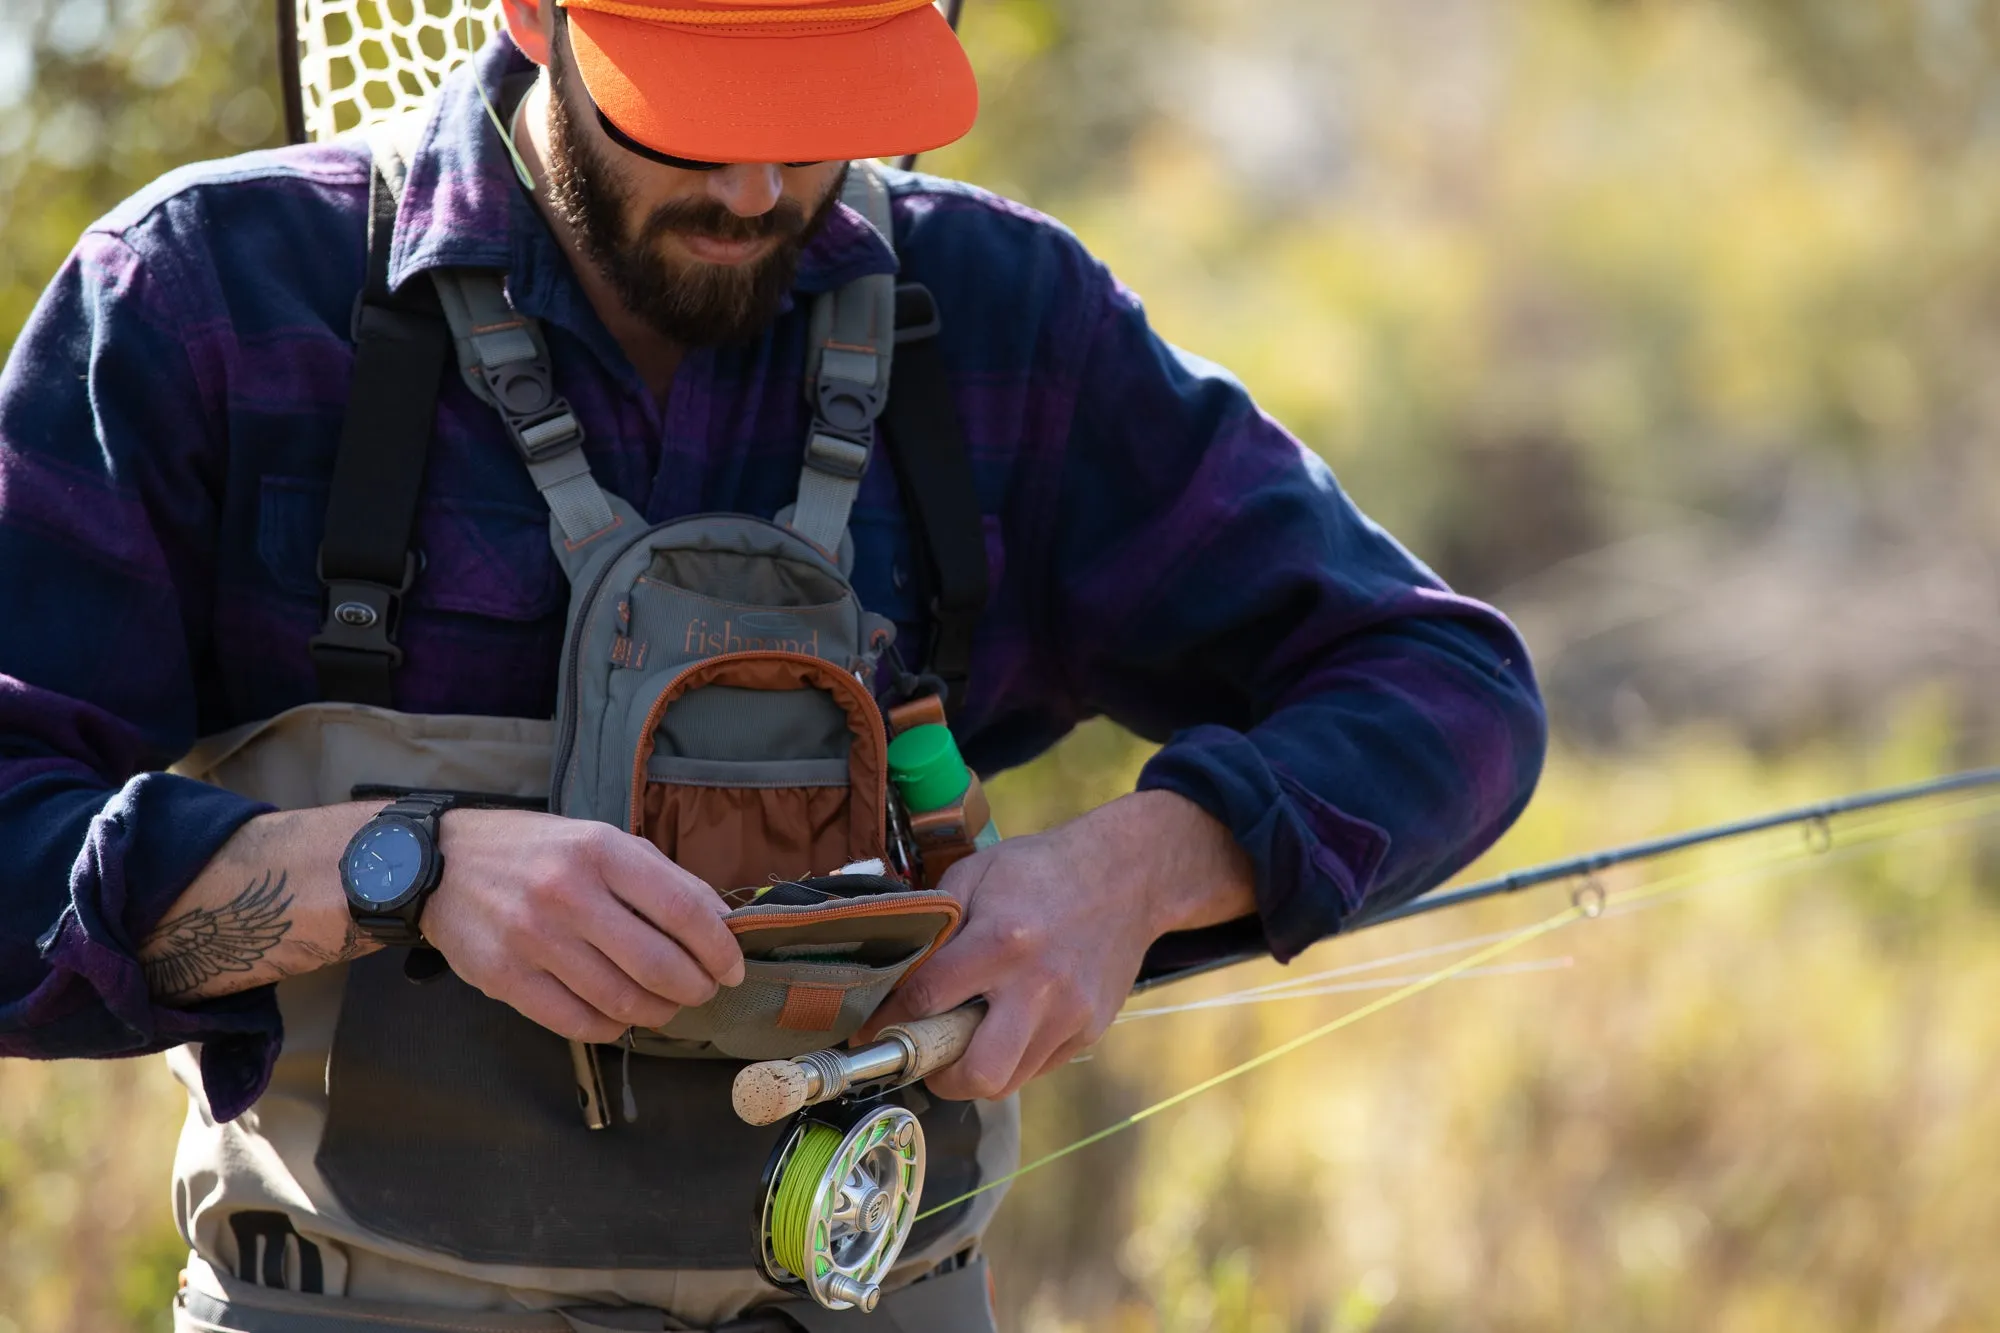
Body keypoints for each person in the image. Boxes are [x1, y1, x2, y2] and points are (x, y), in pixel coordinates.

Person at [0, 0, 1547, 1329]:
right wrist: (402, 867)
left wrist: (1138, 869)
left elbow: (1446, 689)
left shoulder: (1012, 326)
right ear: (533, 17)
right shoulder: (206, 300)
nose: (759, 185)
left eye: (820, 114)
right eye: (705, 115)